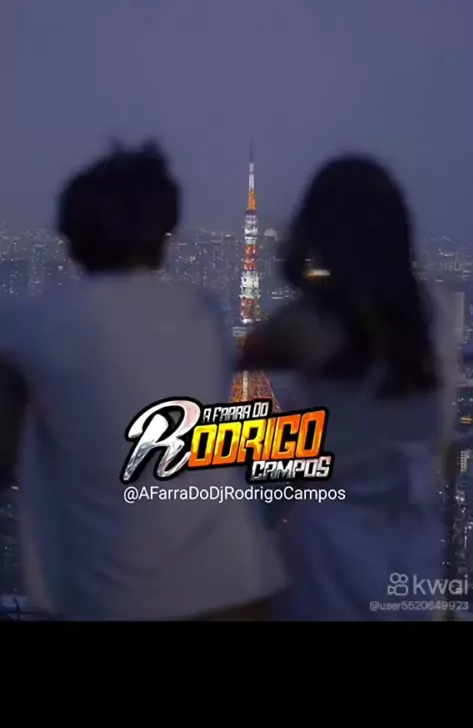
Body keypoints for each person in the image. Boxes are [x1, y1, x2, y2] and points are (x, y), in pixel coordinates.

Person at [0, 141, 285, 620]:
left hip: (114, 599)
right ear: (166, 235)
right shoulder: (204, 315)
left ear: (69, 237)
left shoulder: (38, 323)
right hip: (239, 588)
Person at [239, 154, 457, 621]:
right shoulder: (433, 312)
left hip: (329, 563)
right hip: (412, 561)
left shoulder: (315, 322)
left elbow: (246, 347)